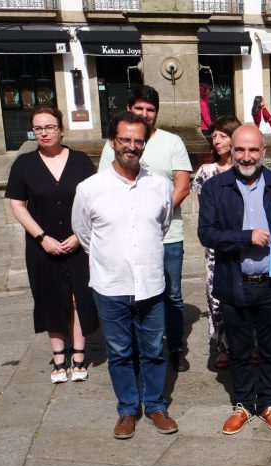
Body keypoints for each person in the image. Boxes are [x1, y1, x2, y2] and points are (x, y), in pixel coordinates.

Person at [72, 111, 178, 440]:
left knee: (153, 350)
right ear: (112, 141)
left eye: (138, 140)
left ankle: (156, 406)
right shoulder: (90, 188)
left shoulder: (160, 186)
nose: (131, 146)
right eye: (125, 139)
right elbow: (84, 233)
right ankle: (127, 410)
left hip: (149, 285)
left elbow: (160, 227)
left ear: (145, 144)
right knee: (118, 352)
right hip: (110, 286)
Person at [197, 124, 271, 435]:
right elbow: (206, 233)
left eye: (253, 150)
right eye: (240, 150)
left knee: (269, 347)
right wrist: (245, 237)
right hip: (234, 280)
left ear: (264, 152)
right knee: (238, 349)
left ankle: (267, 402)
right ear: (231, 151)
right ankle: (242, 404)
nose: (247, 156)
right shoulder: (215, 187)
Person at [99, 85, 193, 372]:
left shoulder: (172, 141)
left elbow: (183, 185)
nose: (145, 114)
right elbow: (106, 185)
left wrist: (155, 216)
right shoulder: (114, 144)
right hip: (128, 238)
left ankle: (175, 346)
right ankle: (139, 349)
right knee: (135, 294)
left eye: (150, 109)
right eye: (139, 108)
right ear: (130, 108)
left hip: (169, 236)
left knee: (172, 294)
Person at [5, 106, 99, 384]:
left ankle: (79, 354)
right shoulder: (23, 164)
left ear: (61, 128)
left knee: (77, 297)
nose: (43, 133)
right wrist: (41, 237)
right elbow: (17, 204)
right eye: (38, 128)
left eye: (49, 127)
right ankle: (59, 357)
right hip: (41, 248)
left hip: (76, 244)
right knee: (50, 298)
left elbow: (93, 202)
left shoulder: (81, 161)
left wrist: (78, 236)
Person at [191, 117, 241, 370]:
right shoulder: (205, 173)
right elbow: (205, 216)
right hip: (215, 248)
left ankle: (247, 344)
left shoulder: (247, 168)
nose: (217, 140)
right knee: (216, 297)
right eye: (214, 135)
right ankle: (223, 346)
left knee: (247, 294)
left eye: (223, 135)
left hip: (245, 244)